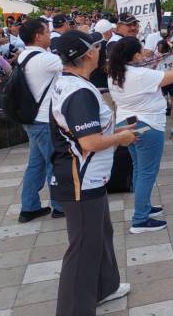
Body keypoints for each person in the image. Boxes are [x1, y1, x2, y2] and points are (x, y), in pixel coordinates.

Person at [50, 30, 136, 316]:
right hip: (79, 180)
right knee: (84, 248)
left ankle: (105, 287)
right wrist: (119, 139)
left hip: (90, 178)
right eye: (98, 47)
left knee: (101, 232)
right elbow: (88, 143)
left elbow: (85, 133)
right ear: (88, 54)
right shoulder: (79, 92)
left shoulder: (72, 83)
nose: (101, 51)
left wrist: (116, 131)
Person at [108, 37, 173, 233]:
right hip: (147, 125)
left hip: (127, 124)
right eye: (141, 51)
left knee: (139, 170)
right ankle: (140, 220)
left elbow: (148, 72)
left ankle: (145, 208)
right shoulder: (139, 75)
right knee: (147, 173)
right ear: (135, 55)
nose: (144, 53)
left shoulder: (115, 73)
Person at [16, 19, 64, 222]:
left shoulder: (24, 55)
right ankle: (60, 206)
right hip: (44, 120)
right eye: (47, 31)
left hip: (31, 119)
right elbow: (75, 62)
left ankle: (29, 207)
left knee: (36, 163)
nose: (50, 35)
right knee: (55, 162)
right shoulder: (45, 59)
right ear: (38, 35)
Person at [144, 24, 173, 141]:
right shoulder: (152, 37)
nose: (170, 34)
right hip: (157, 74)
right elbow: (145, 53)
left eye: (171, 32)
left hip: (172, 73)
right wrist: (157, 51)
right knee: (157, 103)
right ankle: (155, 129)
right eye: (168, 32)